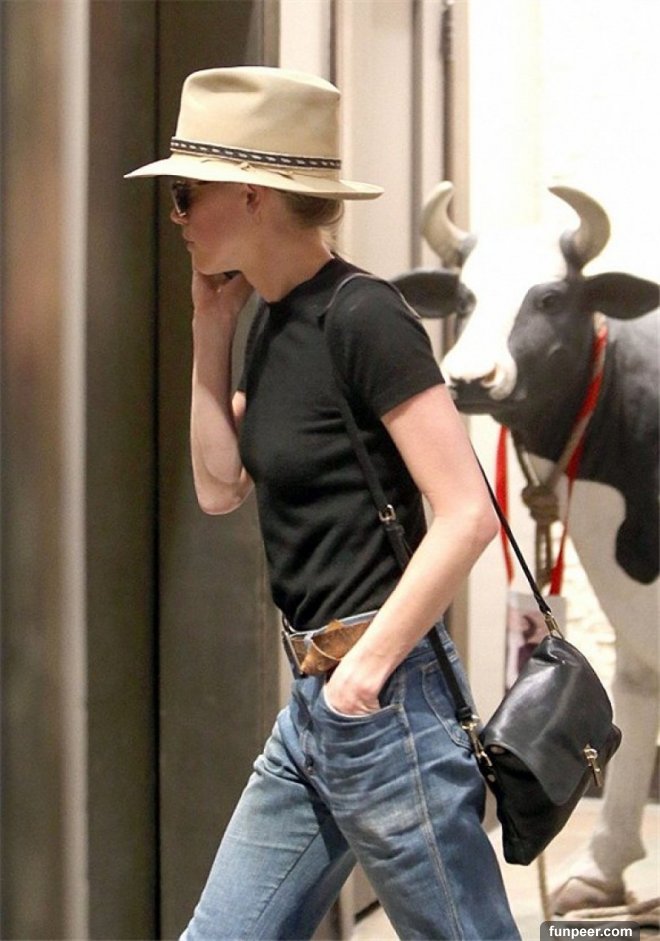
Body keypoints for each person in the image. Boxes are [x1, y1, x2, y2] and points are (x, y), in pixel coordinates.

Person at [126, 66, 520, 941]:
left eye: (187, 194)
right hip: (314, 712)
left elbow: (467, 513)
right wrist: (210, 331)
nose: (176, 216)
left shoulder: (365, 315)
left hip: (385, 703)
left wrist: (363, 676)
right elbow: (218, 486)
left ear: (254, 194)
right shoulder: (268, 318)